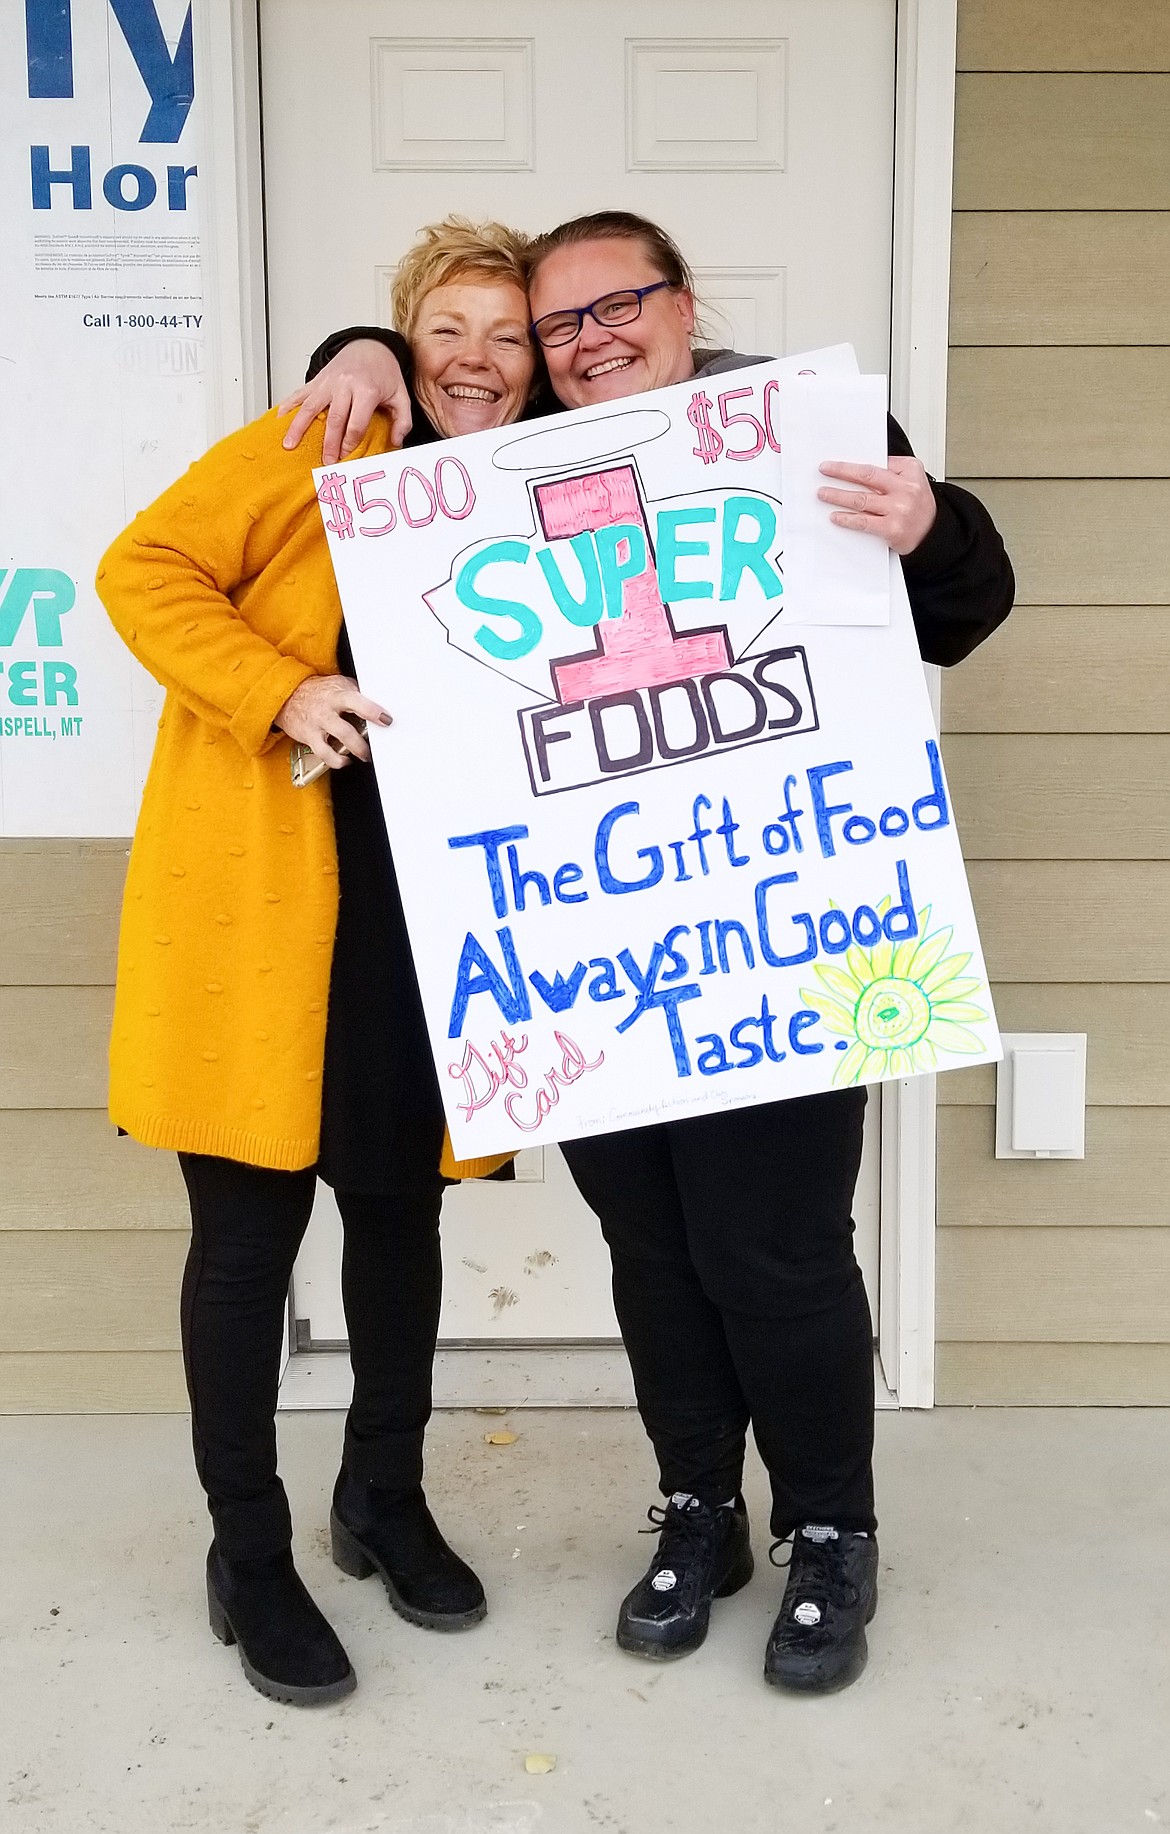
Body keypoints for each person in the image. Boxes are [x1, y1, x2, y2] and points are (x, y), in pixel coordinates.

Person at [283, 209, 1014, 1694]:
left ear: (684, 303)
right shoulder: (519, 458)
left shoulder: (795, 430)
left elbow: (962, 604)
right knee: (656, 1249)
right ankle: (698, 1511)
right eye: (558, 326)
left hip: (780, 934)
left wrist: (929, 523)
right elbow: (427, 398)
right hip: (600, 950)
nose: (583, 340)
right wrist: (351, 349)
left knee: (778, 1248)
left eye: (614, 306)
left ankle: (827, 1526)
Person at [96, 218, 539, 1707]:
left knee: (397, 1219)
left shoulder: (535, 486)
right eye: (447, 328)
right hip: (267, 908)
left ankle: (381, 1498)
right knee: (242, 1245)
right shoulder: (316, 438)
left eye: (509, 335)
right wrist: (276, 686)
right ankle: (249, 1549)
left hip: (429, 921)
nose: (476, 360)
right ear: (401, 341)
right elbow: (139, 568)